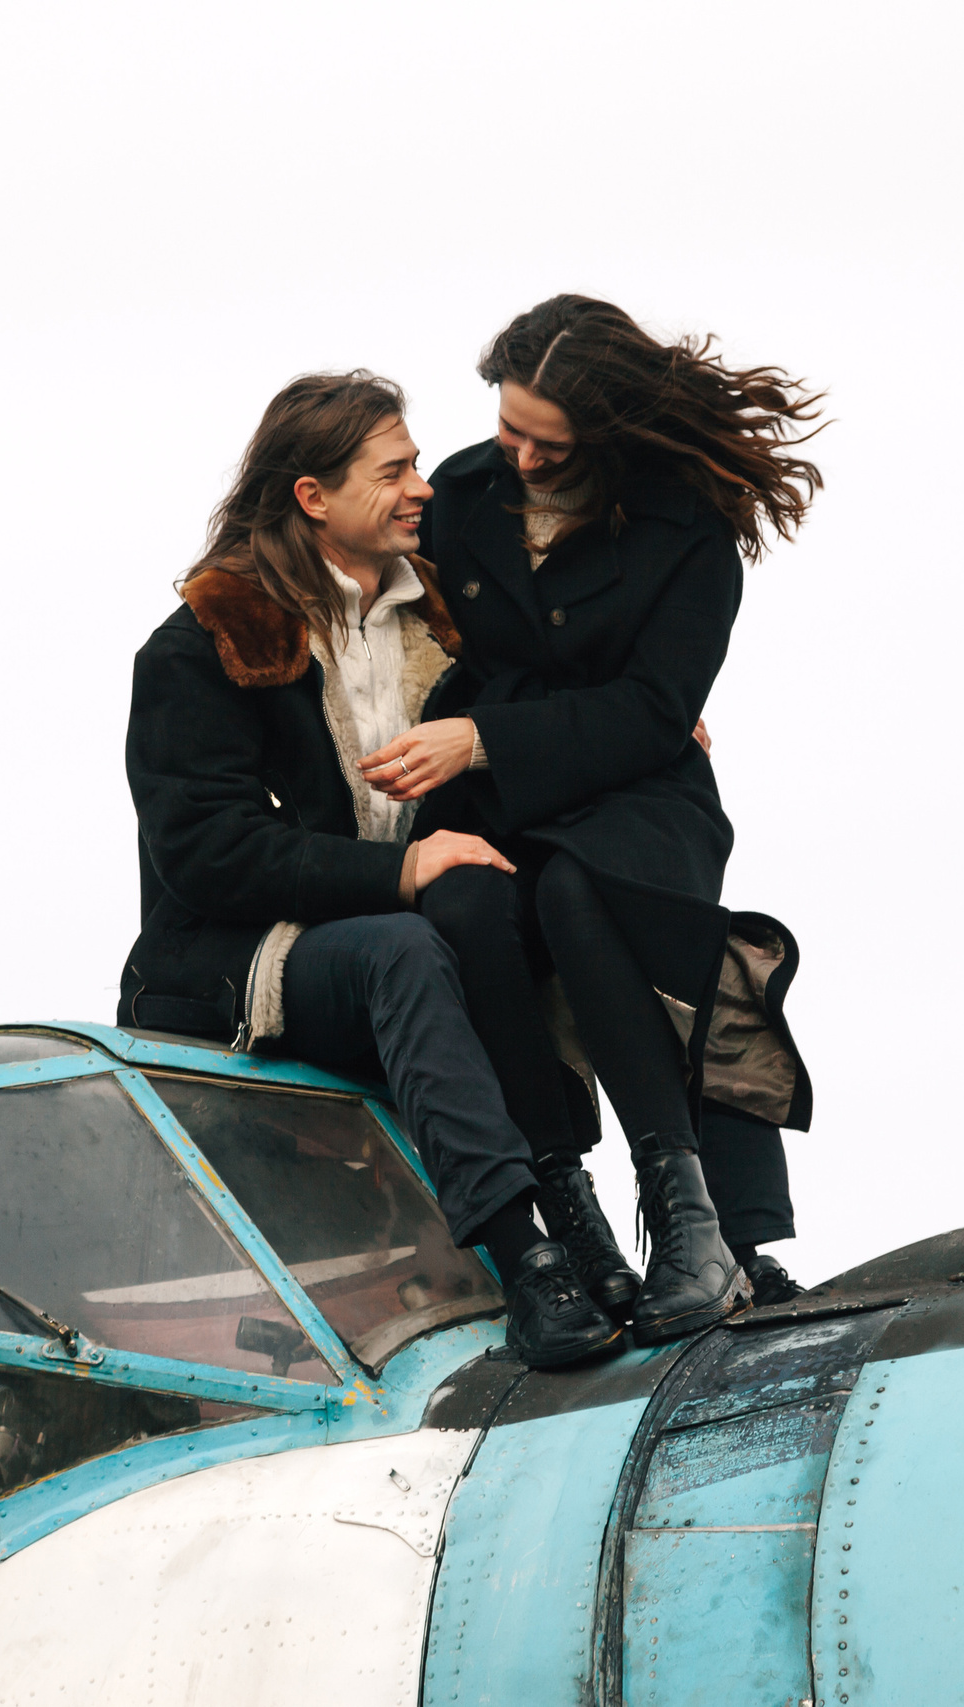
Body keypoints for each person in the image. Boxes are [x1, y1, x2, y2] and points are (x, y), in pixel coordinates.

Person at [117, 369, 623, 1370]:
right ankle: (527, 1257)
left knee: (502, 901)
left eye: (418, 466)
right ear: (313, 497)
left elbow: (561, 689)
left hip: (428, 931)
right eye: (393, 470)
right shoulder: (199, 647)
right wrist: (401, 873)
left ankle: (579, 1201)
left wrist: (643, 722)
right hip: (242, 959)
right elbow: (208, 853)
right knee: (406, 939)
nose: (420, 488)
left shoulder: (447, 621)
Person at [359, 294, 822, 1345]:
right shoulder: (465, 494)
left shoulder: (688, 530)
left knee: (577, 893)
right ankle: (566, 1215)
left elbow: (656, 711)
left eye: (546, 443)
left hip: (638, 794)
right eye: (506, 427)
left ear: (606, 438)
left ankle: (685, 1219)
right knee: (467, 909)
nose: (516, 456)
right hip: (496, 799)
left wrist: (481, 738)